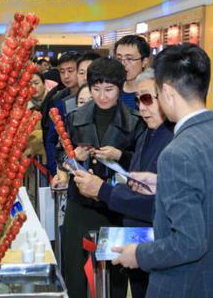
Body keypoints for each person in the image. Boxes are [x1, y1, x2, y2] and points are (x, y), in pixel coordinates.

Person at [111, 44, 213, 298]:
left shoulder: (177, 153)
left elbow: (189, 243)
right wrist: (163, 183)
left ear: (167, 92)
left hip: (193, 285)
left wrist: (137, 254)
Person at [73, 68, 173, 298]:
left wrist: (103, 190)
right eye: (138, 100)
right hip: (137, 238)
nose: (142, 107)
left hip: (158, 248)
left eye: (147, 99)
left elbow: (157, 205)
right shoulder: (148, 133)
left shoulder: (174, 140)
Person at [54, 58, 145, 298]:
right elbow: (60, 152)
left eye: (109, 90)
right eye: (96, 89)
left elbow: (143, 165)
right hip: (79, 202)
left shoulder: (135, 121)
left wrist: (121, 156)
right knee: (74, 269)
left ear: (120, 87)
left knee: (115, 268)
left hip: (113, 205)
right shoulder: (75, 117)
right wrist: (72, 156)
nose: (103, 96)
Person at [43, 53, 80, 176]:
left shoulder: (93, 96)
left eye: (70, 71)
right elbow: (51, 138)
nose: (66, 76)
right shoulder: (57, 98)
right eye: (62, 72)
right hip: (63, 163)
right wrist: (55, 169)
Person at [114, 35, 151, 110]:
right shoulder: (113, 91)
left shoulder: (152, 93)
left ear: (144, 61)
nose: (123, 64)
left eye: (129, 58)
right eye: (119, 59)